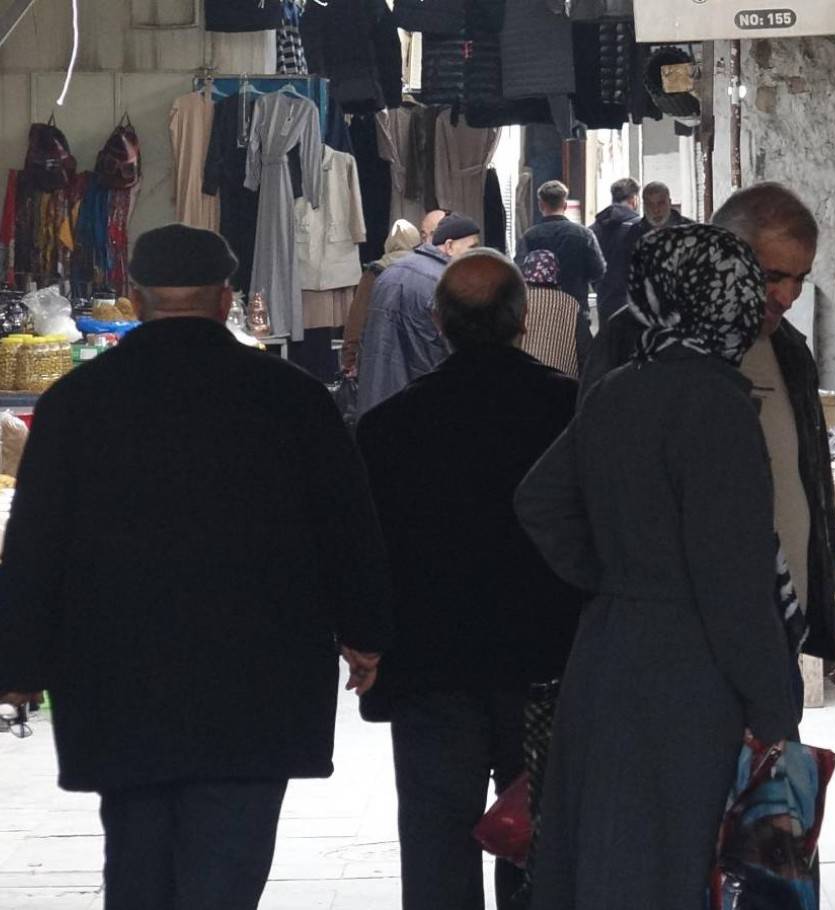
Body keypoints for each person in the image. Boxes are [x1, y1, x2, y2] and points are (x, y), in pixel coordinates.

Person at [0, 224, 393, 910]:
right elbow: (348, 526)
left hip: (118, 675)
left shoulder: (76, 403)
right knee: (229, 865)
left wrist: (19, 666)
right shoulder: (292, 397)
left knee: (136, 858)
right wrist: (365, 632)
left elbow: (36, 544)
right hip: (256, 677)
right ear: (225, 299)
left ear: (134, 298)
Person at [516, 225, 800, 910]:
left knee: (612, 859)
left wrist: (616, 575)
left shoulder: (621, 388)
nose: (757, 303)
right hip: (687, 675)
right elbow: (732, 583)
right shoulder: (715, 405)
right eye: (747, 287)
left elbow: (539, 500)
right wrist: (774, 703)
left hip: (609, 656)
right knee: (676, 863)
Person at [584, 182, 835, 694]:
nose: (786, 296)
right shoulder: (635, 344)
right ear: (722, 255)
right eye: (772, 276)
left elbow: (813, 494)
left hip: (771, 643)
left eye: (800, 280)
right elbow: (572, 496)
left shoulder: (789, 351)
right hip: (671, 657)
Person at [357, 248, 581, 910]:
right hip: (547, 665)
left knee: (435, 846)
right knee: (542, 844)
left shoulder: (387, 427)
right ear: (522, 320)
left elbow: (370, 554)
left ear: (437, 322)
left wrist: (364, 640)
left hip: (431, 668)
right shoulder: (572, 414)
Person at [357, 212, 480, 413]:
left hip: (375, 397)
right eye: (472, 248)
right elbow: (453, 353)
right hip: (419, 404)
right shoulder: (443, 284)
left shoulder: (388, 273)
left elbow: (366, 335)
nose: (476, 255)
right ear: (449, 246)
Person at [516, 181, 605, 369]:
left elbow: (518, 272)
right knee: (574, 363)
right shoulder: (584, 235)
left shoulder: (529, 236)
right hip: (576, 309)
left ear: (541, 205)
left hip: (534, 313)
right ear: (564, 205)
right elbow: (599, 271)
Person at [341, 218, 422, 375]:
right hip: (415, 358)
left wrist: (349, 359)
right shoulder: (422, 272)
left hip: (376, 356)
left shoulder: (374, 273)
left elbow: (356, 320)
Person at [519, 250, 581, 377]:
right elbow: (585, 351)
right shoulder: (571, 304)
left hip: (521, 379)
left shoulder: (517, 301)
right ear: (556, 272)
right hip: (562, 384)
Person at [589, 177, 642, 326]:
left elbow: (591, 268)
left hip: (604, 302)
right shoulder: (639, 228)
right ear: (634, 199)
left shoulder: (593, 229)